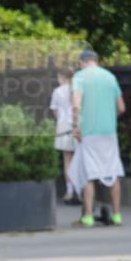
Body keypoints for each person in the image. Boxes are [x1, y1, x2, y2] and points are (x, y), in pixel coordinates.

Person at [67, 49, 125, 227]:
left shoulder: (79, 77)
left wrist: (76, 127)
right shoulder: (110, 77)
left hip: (89, 133)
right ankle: (117, 216)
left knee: (88, 175)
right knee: (112, 171)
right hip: (109, 133)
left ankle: (88, 217)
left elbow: (76, 105)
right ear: (96, 60)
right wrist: (109, 117)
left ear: (81, 62)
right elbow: (121, 107)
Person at [49, 66, 79, 204]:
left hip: (63, 125)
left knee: (67, 159)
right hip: (77, 125)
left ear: (62, 77)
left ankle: (69, 190)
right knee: (78, 158)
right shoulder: (77, 89)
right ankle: (79, 190)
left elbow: (54, 111)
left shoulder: (57, 91)